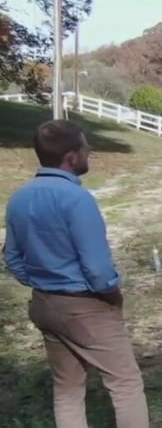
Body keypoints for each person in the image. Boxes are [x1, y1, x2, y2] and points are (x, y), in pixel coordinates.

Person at [3, 120, 149, 428]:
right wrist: (111, 292)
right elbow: (97, 269)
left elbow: (13, 258)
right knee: (125, 384)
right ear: (71, 156)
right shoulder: (77, 199)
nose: (89, 152)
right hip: (86, 306)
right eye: (86, 148)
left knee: (67, 388)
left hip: (44, 303)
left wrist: (44, 283)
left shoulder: (19, 198)